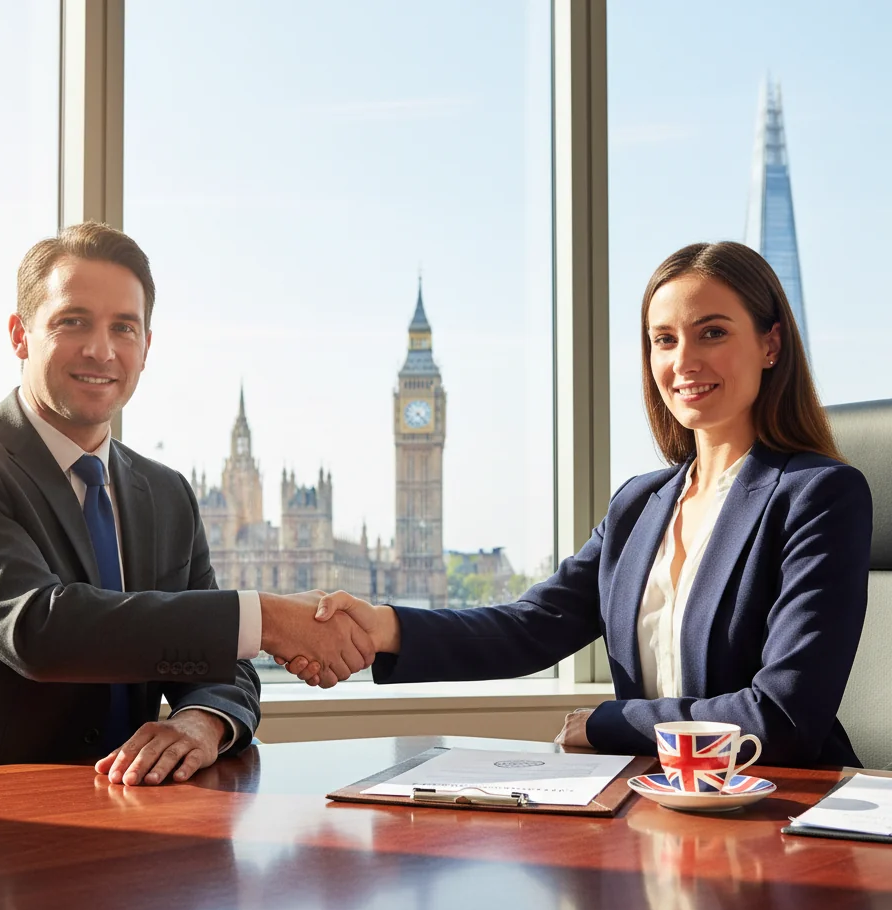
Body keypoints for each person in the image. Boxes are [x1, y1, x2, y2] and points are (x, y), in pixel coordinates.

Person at [282, 241, 872, 767]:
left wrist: (608, 722)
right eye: (664, 339)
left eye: (712, 332)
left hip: (784, 822)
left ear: (770, 344)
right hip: (654, 811)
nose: (683, 360)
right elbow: (530, 628)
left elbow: (783, 719)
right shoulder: (640, 505)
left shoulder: (817, 496)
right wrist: (378, 626)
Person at [0, 223, 373, 784]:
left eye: (124, 327)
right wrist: (269, 619)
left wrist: (201, 721)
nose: (102, 349)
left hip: (133, 810)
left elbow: (223, 665)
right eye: (73, 322)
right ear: (20, 335)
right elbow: (41, 631)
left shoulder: (167, 494)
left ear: (146, 347)